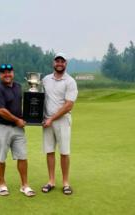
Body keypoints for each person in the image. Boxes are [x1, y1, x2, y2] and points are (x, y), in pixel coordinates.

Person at [0, 63, 35, 197]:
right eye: (4, 72)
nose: (7, 74)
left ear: (13, 73)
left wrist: (31, 118)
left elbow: (21, 106)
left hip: (18, 129)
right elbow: (1, 110)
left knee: (23, 156)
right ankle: (2, 184)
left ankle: (25, 185)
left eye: (9, 72)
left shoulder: (18, 87)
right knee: (1, 158)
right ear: (0, 75)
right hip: (2, 128)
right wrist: (17, 120)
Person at [42, 53, 78, 195]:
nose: (59, 63)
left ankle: (65, 183)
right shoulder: (45, 79)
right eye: (57, 61)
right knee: (50, 151)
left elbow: (69, 105)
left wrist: (52, 118)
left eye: (62, 61)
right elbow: (38, 98)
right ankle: (51, 181)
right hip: (47, 120)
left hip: (62, 121)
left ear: (66, 64)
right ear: (53, 63)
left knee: (64, 152)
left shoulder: (70, 81)